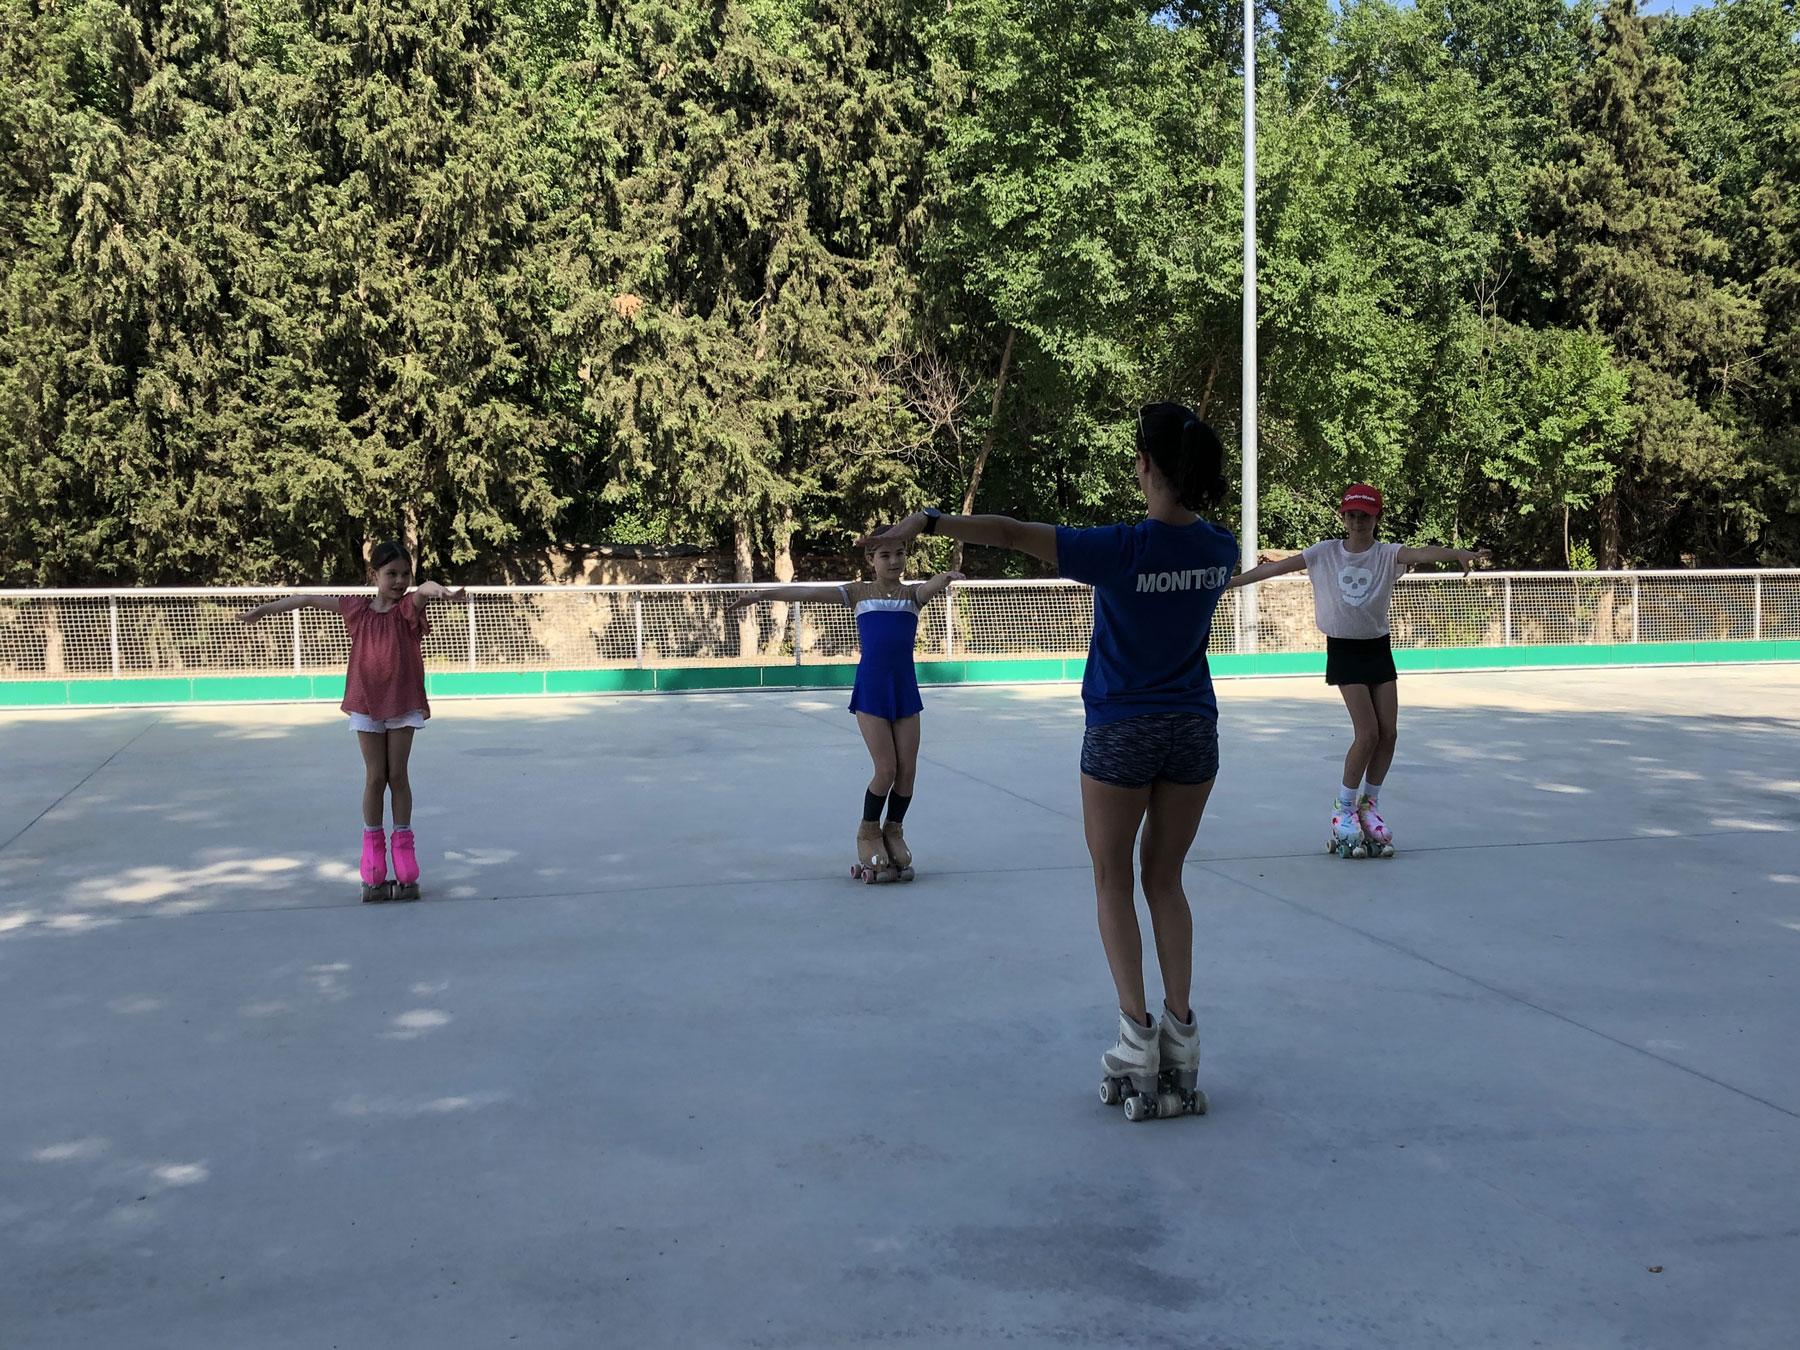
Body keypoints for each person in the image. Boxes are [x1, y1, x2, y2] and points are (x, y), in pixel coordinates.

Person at [869, 403, 1235, 1121]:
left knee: (1111, 877)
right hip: (1194, 730)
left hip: (1122, 731)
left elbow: (1007, 533)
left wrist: (931, 521)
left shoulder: (1122, 548)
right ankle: (1182, 1038)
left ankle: (1137, 1035)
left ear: (1147, 468)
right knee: (1167, 880)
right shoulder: (1219, 547)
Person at [1226, 484, 1490, 857]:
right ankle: (1344, 808)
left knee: (1389, 733)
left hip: (1377, 647)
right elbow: (1278, 568)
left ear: (1376, 517)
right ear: (1342, 517)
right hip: (1345, 650)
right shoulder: (1325, 553)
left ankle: (1370, 804)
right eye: (1351, 515)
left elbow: (1422, 551)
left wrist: (1457, 553)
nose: (1357, 521)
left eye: (1364, 515)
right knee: (1366, 733)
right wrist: (1233, 582)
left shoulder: (1387, 555)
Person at [239, 541, 467, 900]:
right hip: (365, 705)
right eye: (391, 574)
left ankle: (405, 863)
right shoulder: (357, 610)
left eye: (405, 574)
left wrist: (438, 590)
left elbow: (424, 592)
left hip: (403, 703)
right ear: (373, 575)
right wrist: (265, 609)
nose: (399, 581)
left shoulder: (407, 610)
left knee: (398, 776)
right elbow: (306, 600)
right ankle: (374, 865)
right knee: (375, 778)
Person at [726, 538, 961, 882]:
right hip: (872, 691)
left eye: (900, 553)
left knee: (907, 771)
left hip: (905, 690)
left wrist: (944, 578)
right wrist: (763, 595)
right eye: (885, 555)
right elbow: (806, 594)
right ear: (871, 559)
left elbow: (929, 587)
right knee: (886, 769)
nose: (894, 561)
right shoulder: (858, 593)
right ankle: (868, 832)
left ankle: (893, 830)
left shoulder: (912, 596)